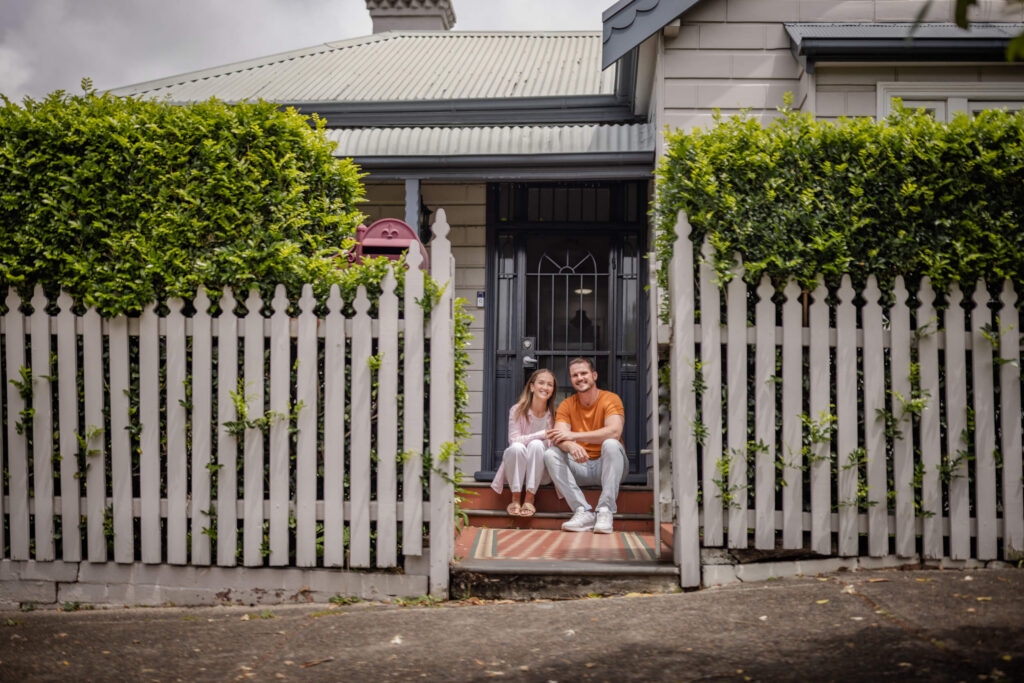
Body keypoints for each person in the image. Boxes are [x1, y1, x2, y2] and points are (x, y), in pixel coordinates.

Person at [543, 357, 627, 533]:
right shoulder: (567, 404)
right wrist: (571, 446)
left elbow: (614, 432)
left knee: (611, 444)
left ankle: (605, 511)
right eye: (575, 375)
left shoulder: (610, 399)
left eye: (584, 373)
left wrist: (574, 435)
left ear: (594, 375)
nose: (579, 378)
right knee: (551, 453)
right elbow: (559, 436)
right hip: (580, 465)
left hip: (609, 466)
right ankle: (583, 511)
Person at [490, 368, 557, 518]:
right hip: (516, 470)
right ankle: (515, 498)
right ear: (532, 387)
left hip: (541, 472)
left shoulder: (553, 415)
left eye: (549, 385)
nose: (545, 387)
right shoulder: (517, 410)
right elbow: (514, 440)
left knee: (537, 445)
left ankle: (529, 498)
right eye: (541, 383)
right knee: (516, 447)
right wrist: (541, 434)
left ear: (553, 390)